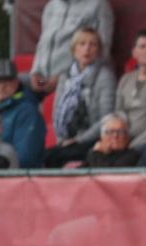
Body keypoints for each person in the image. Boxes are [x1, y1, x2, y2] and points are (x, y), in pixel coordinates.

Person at [44, 27, 116, 168]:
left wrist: (78, 139)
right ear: (74, 49)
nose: (87, 49)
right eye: (82, 44)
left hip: (93, 138)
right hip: (67, 140)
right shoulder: (65, 76)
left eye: (92, 44)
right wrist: (62, 139)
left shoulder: (105, 76)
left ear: (99, 50)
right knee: (45, 156)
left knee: (54, 157)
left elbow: (106, 118)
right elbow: (57, 113)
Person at [30, 0, 113, 95]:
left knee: (27, 104)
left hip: (73, 80)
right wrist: (35, 72)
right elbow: (42, 43)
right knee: (12, 84)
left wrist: (66, 77)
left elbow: (103, 51)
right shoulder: (51, 6)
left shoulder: (98, 6)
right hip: (43, 79)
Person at [0, 58, 46, 168]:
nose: (2, 86)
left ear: (16, 83)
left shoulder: (27, 111)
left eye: (7, 81)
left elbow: (25, 159)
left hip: (17, 179)